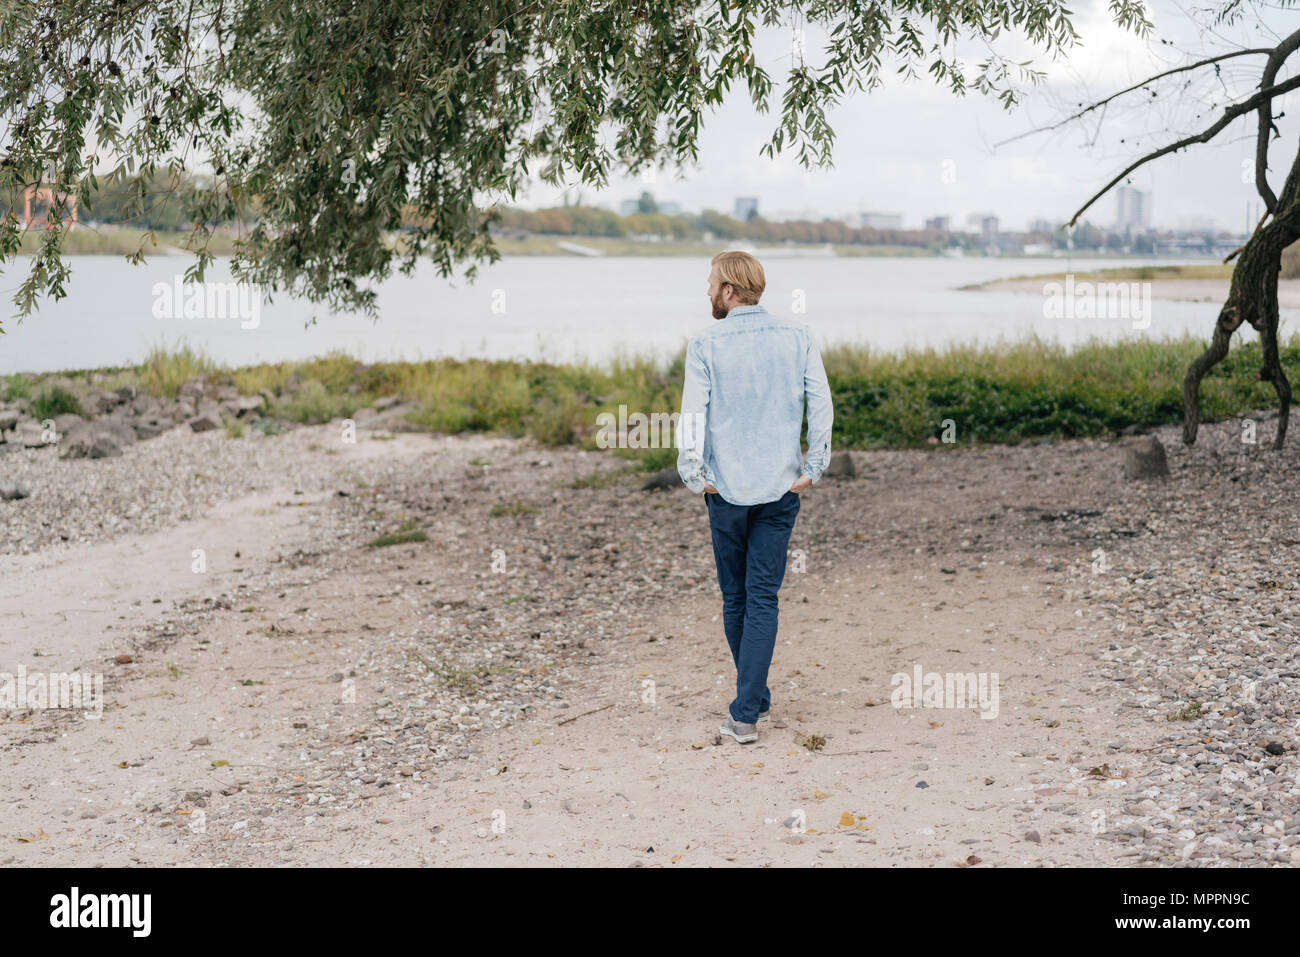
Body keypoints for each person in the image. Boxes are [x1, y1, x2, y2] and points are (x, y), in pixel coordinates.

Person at [676, 250, 834, 744]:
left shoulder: (705, 343)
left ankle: (744, 716)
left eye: (709, 284)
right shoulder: (798, 336)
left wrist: (692, 472)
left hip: (727, 489)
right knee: (762, 596)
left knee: (738, 597)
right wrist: (815, 466)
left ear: (728, 290)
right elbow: (821, 401)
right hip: (780, 487)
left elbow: (693, 415)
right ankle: (756, 699)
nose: (705, 292)